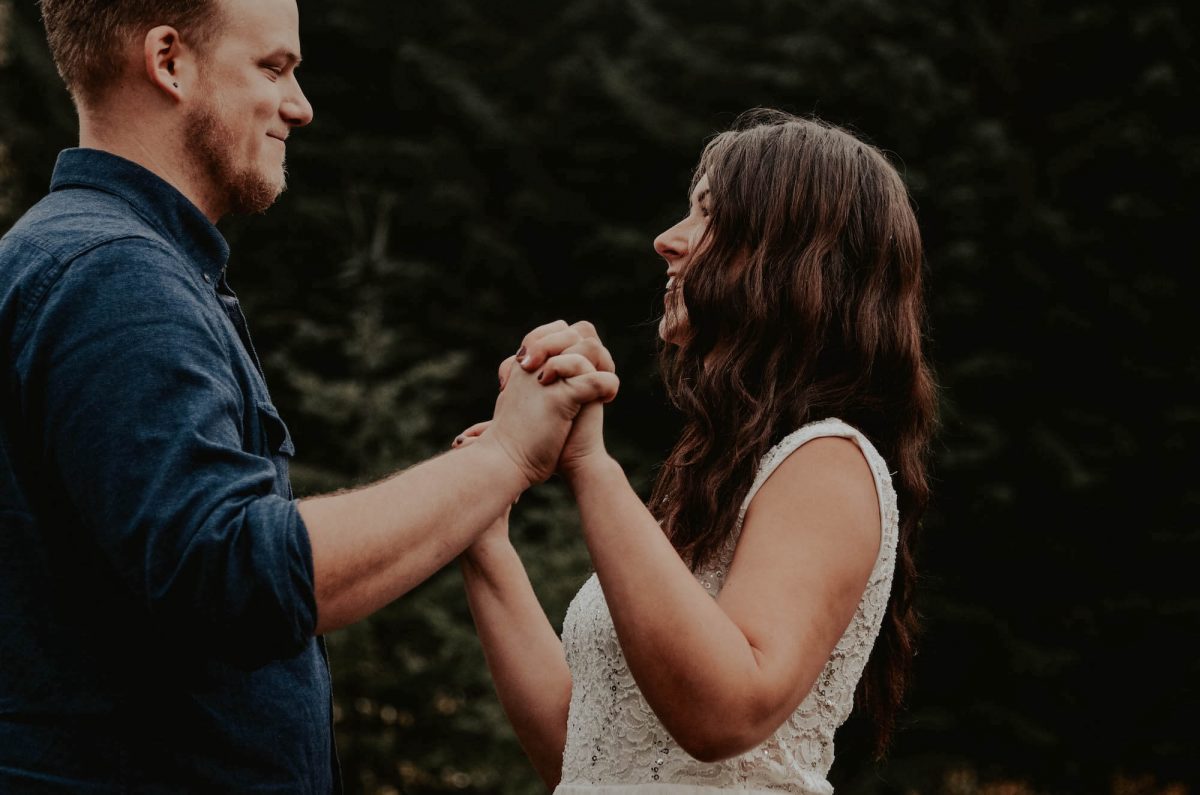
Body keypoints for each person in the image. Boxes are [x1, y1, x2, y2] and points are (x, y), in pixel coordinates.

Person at [0, 0, 617, 791]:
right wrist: (503, 457)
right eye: (274, 67)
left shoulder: (94, 260)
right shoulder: (116, 275)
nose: (301, 105)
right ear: (169, 62)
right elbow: (235, 575)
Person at [455, 109, 938, 793]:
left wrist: (589, 464)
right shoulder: (713, 478)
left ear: (787, 255)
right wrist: (485, 541)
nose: (666, 241)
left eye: (705, 215)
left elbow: (725, 713)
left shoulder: (829, 461)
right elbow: (586, 753)